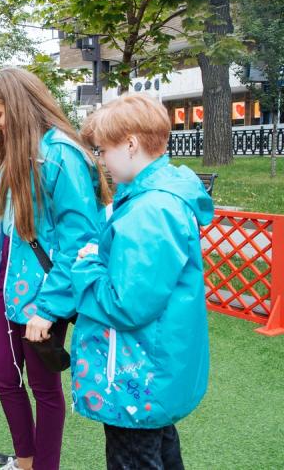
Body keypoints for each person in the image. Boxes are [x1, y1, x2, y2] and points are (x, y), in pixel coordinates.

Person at [0, 68, 107, 470]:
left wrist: (48, 307)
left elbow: (81, 244)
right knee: (3, 377)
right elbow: (6, 231)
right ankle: (26, 461)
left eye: (0, 116)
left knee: (43, 387)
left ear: (20, 107)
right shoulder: (13, 156)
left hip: (43, 297)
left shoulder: (61, 154)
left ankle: (44, 467)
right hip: (7, 291)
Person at [71, 94, 214, 469]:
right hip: (152, 367)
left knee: (135, 455)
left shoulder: (151, 209)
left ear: (131, 144)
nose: (102, 161)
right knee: (159, 449)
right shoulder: (157, 198)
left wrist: (85, 268)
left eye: (104, 150)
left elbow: (126, 304)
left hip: (136, 372)